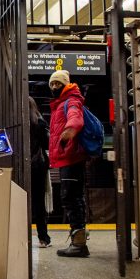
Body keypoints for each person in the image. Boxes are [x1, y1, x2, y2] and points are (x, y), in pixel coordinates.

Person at [48, 70, 89, 257]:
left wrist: (70, 130)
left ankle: (79, 244)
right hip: (68, 157)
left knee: (71, 198)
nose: (55, 87)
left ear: (66, 84)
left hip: (71, 157)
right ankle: (78, 242)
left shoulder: (71, 100)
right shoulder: (60, 103)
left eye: (58, 83)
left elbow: (75, 117)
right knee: (73, 197)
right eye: (52, 84)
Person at [29, 96, 51, 248]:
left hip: (20, 166)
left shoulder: (17, 124)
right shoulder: (41, 123)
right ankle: (43, 238)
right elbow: (47, 144)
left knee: (19, 201)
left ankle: (19, 236)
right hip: (38, 166)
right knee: (38, 203)